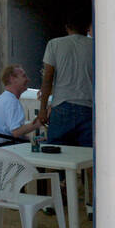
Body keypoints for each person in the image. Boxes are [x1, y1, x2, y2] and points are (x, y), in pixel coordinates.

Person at [39, 12, 94, 146]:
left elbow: (48, 78)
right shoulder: (96, 46)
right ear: (88, 27)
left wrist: (43, 109)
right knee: (86, 158)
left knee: (56, 154)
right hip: (88, 108)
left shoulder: (54, 45)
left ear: (67, 27)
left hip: (61, 107)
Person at [0, 64, 42, 140]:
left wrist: (31, 139)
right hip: (6, 148)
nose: (28, 79)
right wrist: (39, 123)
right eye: (24, 76)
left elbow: (9, 132)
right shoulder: (12, 102)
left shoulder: (1, 99)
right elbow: (16, 132)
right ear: (12, 79)